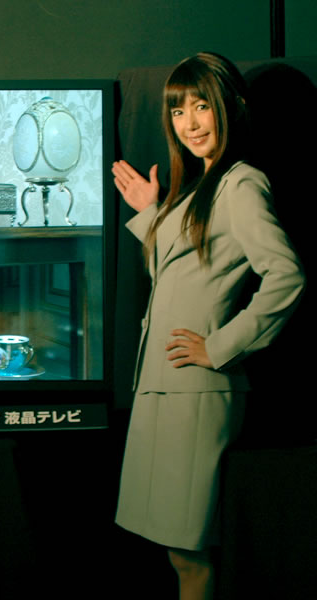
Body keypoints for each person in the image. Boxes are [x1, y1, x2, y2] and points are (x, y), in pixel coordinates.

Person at [111, 52, 305, 599]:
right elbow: (180, 274)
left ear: (231, 107)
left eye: (201, 107)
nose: (189, 123)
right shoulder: (200, 188)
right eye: (178, 111)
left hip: (196, 392)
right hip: (162, 389)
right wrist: (151, 212)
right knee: (173, 553)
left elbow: (287, 275)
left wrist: (219, 347)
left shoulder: (242, 183)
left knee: (189, 555)